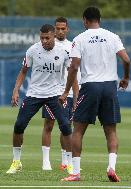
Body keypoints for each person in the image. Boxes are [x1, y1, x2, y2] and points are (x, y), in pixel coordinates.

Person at [60, 7, 131, 182]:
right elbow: (127, 59)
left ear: (85, 20)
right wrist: (126, 78)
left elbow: (74, 67)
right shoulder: (112, 36)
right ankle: (111, 167)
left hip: (90, 86)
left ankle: (75, 173)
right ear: (99, 19)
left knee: (78, 130)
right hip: (109, 86)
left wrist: (66, 91)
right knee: (111, 131)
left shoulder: (79, 39)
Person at [6, 24, 74, 174]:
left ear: (54, 36)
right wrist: (16, 90)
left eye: (47, 38)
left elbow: (71, 74)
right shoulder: (32, 50)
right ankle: (16, 162)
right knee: (19, 125)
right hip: (34, 94)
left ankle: (70, 164)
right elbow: (23, 71)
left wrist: (67, 93)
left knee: (66, 126)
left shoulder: (64, 52)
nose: (44, 41)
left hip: (55, 94)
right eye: (42, 38)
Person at [41, 17, 80, 173]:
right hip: (51, 92)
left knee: (67, 127)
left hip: (69, 92)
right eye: (57, 28)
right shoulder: (48, 44)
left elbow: (75, 72)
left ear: (67, 29)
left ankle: (66, 161)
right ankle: (46, 161)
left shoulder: (72, 46)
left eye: (63, 28)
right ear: (54, 29)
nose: (60, 31)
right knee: (49, 125)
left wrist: (76, 94)